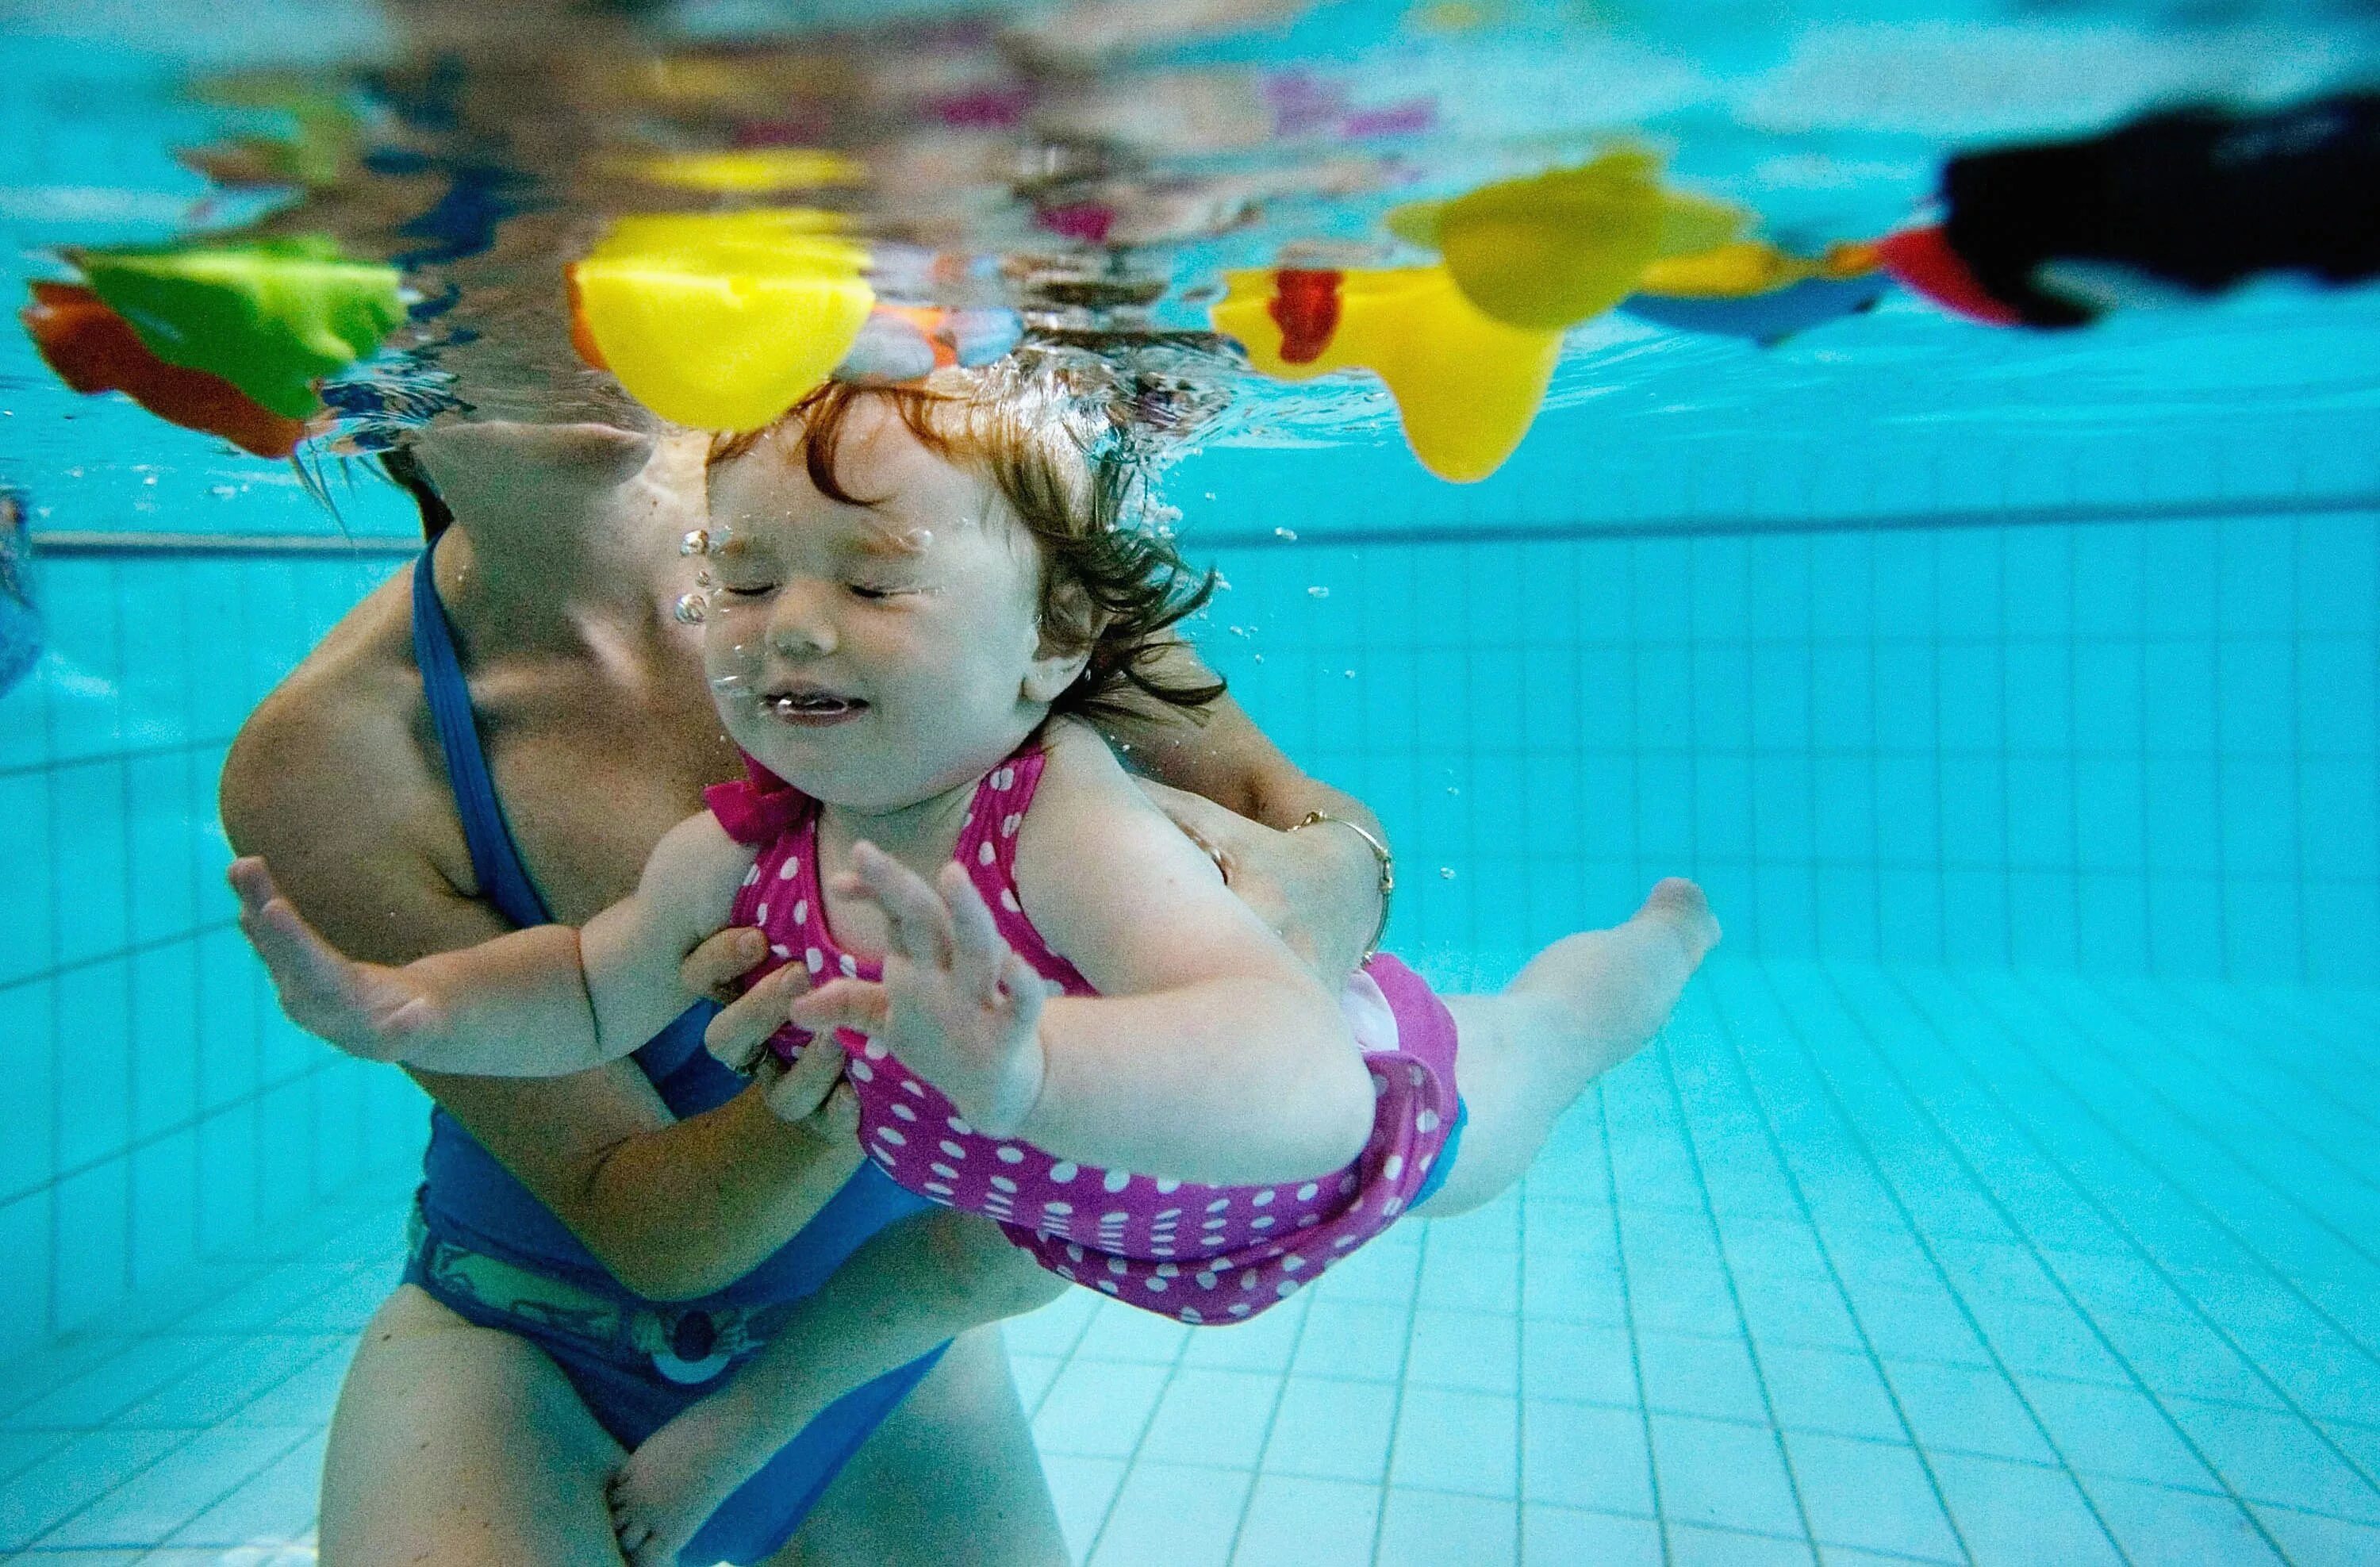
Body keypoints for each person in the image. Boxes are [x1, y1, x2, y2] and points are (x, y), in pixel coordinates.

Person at [231, 371, 1719, 1565]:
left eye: (868, 589)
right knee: (958, 1259)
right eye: (742, 588)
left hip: (1012, 1266)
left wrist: (1209, 957)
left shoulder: (940, 519)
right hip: (557, 1344)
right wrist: (398, 1008)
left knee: (1512, 1073)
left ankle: (1622, 976)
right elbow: (598, 1034)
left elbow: (1313, 868)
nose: (794, 631)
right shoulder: (379, 763)